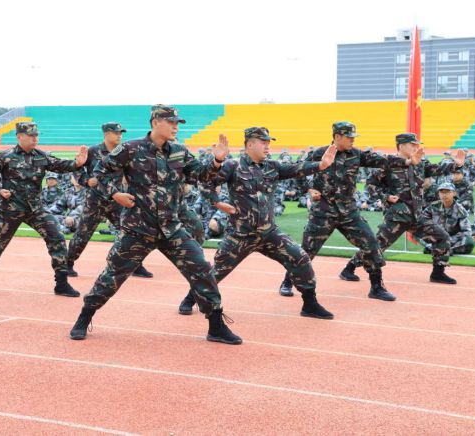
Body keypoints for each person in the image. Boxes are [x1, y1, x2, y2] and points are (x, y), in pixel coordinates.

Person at [69, 105, 241, 345]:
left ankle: (216, 325)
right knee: (112, 276)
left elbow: (200, 175)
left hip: (171, 228)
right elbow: (100, 173)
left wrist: (216, 161)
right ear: (155, 122)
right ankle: (84, 317)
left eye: (178, 123)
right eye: (171, 122)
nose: (175, 127)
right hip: (138, 229)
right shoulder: (130, 149)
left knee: (201, 270)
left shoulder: (180, 151)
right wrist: (115, 194)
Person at [176, 126, 337, 318]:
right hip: (241, 234)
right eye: (264, 142)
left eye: (269, 142)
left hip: (270, 233)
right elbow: (206, 182)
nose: (268, 146)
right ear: (250, 144)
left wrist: (321, 165)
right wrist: (217, 202)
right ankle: (190, 297)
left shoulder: (272, 166)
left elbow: (296, 169)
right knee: (216, 271)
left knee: (300, 258)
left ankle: (310, 304)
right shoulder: (232, 166)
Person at [278, 122, 411, 301]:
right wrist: (308, 188)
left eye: (353, 137)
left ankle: (377, 286)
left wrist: (406, 161)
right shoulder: (319, 153)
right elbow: (298, 171)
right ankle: (288, 281)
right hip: (323, 212)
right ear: (337, 136)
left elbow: (382, 160)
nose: (352, 140)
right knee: (308, 250)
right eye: (349, 137)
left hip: (349, 212)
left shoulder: (356, 154)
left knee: (371, 244)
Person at [0, 121, 88, 297]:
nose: (35, 138)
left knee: (56, 236)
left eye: (36, 135)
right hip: (11, 209)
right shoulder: (6, 157)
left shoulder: (42, 156)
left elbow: (60, 165)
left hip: (35, 209)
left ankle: (62, 283)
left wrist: (76, 163)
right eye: (31, 135)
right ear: (19, 137)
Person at [340, 134, 463, 289]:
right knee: (377, 246)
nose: (416, 147)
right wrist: (385, 197)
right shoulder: (388, 163)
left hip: (416, 215)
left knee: (441, 237)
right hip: (397, 216)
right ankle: (349, 268)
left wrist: (455, 165)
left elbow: (436, 169)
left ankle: (438, 272)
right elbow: (370, 185)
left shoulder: (419, 163)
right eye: (412, 145)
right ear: (401, 145)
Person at [67, 122, 153, 277]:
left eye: (121, 133)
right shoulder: (93, 151)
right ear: (107, 134)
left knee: (129, 233)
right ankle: (67, 264)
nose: (120, 135)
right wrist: (86, 181)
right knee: (83, 234)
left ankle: (135, 265)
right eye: (116, 133)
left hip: (117, 201)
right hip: (95, 201)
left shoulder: (123, 151)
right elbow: (77, 168)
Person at [421, 182, 475, 255]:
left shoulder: (460, 210)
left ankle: (441, 249)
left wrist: (448, 240)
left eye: (447, 192)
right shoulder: (433, 207)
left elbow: (466, 231)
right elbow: (422, 221)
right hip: (436, 238)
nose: (444, 195)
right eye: (442, 192)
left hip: (452, 239)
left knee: (469, 241)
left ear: (454, 193)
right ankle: (439, 249)